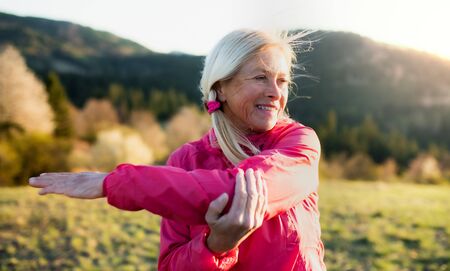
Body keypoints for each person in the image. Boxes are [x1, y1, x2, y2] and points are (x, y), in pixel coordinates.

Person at [29, 29, 326, 270]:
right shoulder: (186, 160)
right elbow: (172, 265)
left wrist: (115, 182)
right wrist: (214, 247)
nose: (276, 92)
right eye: (260, 77)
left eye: (282, 81)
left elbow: (244, 190)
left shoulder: (299, 142)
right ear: (221, 87)